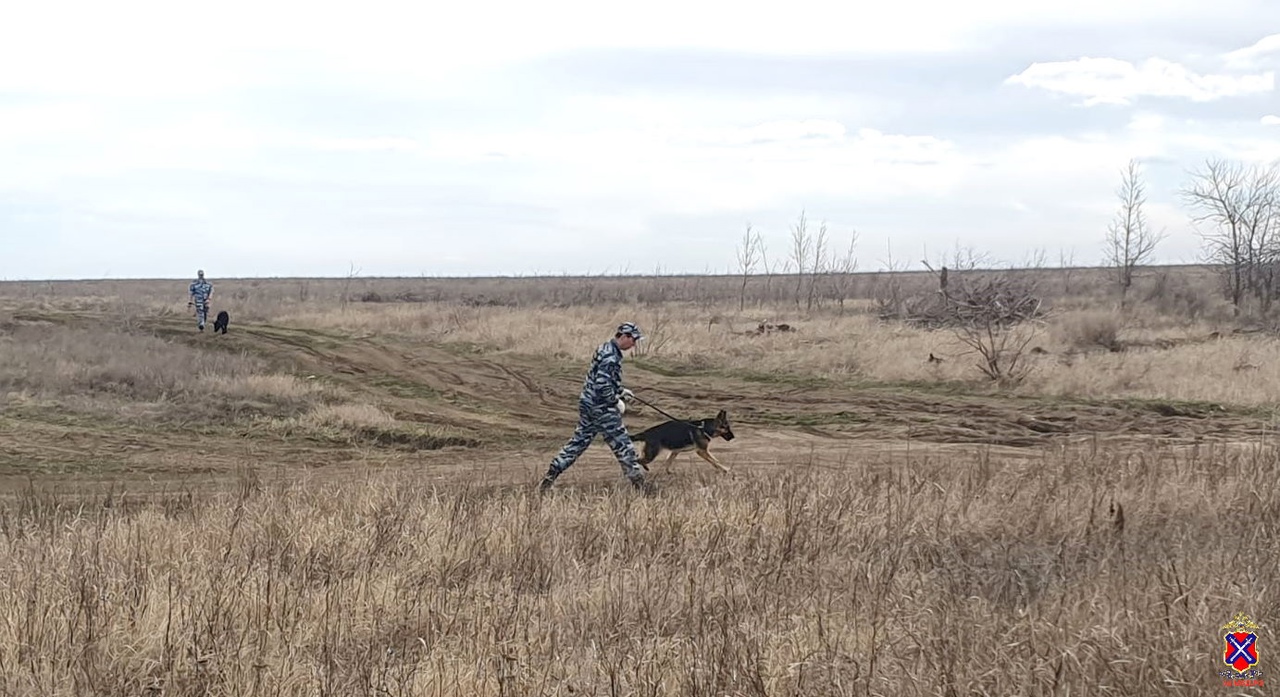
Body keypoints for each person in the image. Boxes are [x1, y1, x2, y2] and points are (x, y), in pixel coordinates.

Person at [539, 322, 656, 496]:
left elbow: (600, 379)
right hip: (602, 409)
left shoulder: (605, 348)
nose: (634, 344)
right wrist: (615, 400)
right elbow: (602, 385)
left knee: (577, 443)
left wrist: (620, 390)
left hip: (588, 404)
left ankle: (549, 478)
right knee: (624, 446)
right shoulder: (611, 357)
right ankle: (641, 487)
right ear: (624, 336)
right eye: (633, 340)